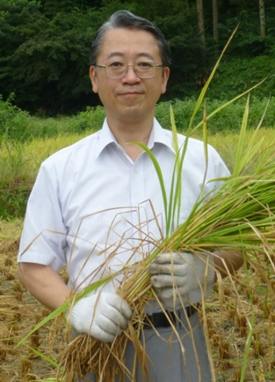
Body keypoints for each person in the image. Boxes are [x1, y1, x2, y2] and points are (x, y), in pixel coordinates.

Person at [17, 10, 243, 382]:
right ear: (95, 78)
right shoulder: (59, 169)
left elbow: (236, 247)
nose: (131, 77)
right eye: (116, 65)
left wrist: (207, 269)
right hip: (94, 344)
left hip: (180, 341)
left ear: (164, 78)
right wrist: (78, 307)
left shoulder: (202, 160)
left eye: (144, 65)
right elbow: (32, 265)